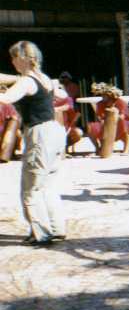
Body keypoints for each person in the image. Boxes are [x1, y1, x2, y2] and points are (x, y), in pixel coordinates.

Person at [0, 41, 67, 246]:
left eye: (13, 57)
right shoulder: (44, 78)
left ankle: (41, 234)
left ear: (22, 58)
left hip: (40, 134)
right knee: (48, 186)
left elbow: (7, 99)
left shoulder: (26, 81)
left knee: (30, 189)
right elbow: (62, 95)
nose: (12, 61)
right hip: (55, 131)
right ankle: (56, 229)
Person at [87, 83, 129, 155]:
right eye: (102, 94)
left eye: (104, 95)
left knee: (124, 123)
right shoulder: (100, 104)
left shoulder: (120, 102)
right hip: (106, 123)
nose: (102, 96)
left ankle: (126, 149)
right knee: (91, 127)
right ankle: (98, 148)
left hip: (119, 123)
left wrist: (114, 118)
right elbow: (100, 117)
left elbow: (123, 116)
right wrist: (105, 122)